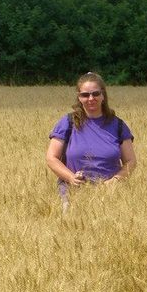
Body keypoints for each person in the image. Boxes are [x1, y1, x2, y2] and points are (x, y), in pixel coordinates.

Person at [46, 72, 136, 211]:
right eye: (85, 95)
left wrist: (113, 182)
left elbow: (131, 161)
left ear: (103, 95)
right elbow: (51, 158)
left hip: (110, 195)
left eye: (95, 93)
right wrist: (71, 178)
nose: (91, 98)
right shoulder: (68, 123)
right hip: (72, 193)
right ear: (79, 97)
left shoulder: (118, 126)